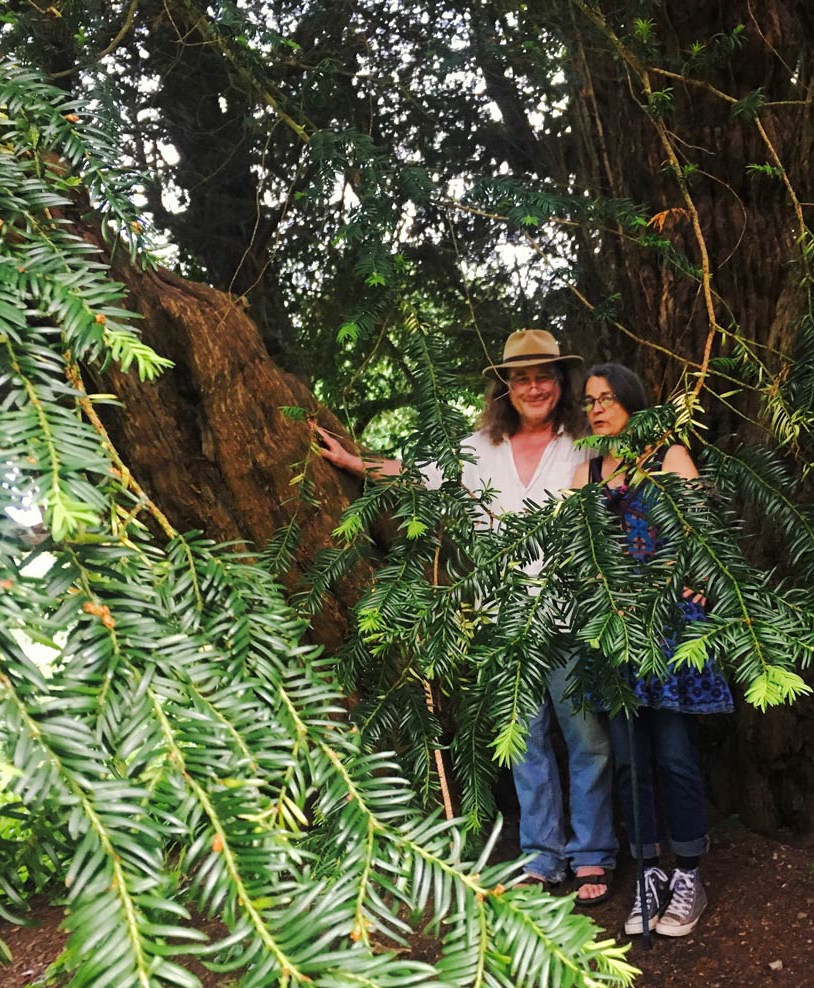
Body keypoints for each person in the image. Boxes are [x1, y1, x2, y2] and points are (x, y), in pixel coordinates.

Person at [314, 330, 618, 904]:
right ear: (505, 385)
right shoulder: (479, 447)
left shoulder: (584, 443)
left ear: (561, 381)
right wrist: (354, 461)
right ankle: (542, 857)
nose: (535, 386)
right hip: (503, 619)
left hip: (575, 614)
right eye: (522, 377)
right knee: (523, 742)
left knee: (588, 740)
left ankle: (594, 856)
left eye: (545, 375)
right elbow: (415, 474)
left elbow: (632, 485)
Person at [569, 362, 733, 937]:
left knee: (673, 754)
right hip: (615, 635)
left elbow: (703, 538)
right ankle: (648, 874)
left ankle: (687, 872)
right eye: (589, 399)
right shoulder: (585, 474)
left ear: (634, 402)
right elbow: (577, 554)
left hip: (668, 629)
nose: (597, 407)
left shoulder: (669, 457)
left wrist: (690, 583)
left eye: (609, 397)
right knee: (629, 761)